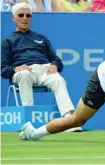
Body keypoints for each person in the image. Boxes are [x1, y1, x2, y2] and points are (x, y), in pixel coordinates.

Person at [1, 2, 81, 132]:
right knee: (25, 75)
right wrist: (16, 69)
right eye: (21, 15)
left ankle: (68, 120)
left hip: (44, 69)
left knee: (58, 79)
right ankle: (28, 122)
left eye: (28, 15)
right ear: (13, 18)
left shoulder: (41, 38)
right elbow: (3, 69)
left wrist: (55, 65)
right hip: (24, 71)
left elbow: (56, 59)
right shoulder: (7, 41)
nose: (25, 18)